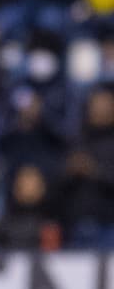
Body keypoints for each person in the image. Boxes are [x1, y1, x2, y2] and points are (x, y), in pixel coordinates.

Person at [60, 84, 114, 247]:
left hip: (108, 226)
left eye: (105, 105)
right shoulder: (76, 139)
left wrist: (94, 171)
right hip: (74, 226)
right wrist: (70, 171)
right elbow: (56, 184)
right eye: (95, 104)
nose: (99, 109)